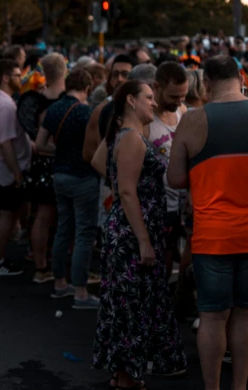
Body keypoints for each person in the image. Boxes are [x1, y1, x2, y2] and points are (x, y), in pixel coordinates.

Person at [92, 80, 186, 389]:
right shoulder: (132, 138)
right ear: (131, 101)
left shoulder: (127, 135)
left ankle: (123, 375)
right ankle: (125, 377)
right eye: (148, 97)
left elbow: (100, 163)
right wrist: (145, 240)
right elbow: (128, 192)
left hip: (131, 231)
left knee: (128, 305)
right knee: (130, 306)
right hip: (133, 237)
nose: (154, 103)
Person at [168, 55, 248, 390]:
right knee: (245, 315)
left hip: (211, 234)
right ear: (240, 76)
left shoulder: (193, 120)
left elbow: (174, 178)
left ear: (207, 82)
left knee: (213, 316)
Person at [37, 69, 100, 309]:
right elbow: (95, 147)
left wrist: (60, 152)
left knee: (63, 228)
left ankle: (60, 283)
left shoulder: (54, 109)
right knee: (84, 233)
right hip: (83, 177)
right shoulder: (86, 112)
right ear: (87, 87)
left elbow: (40, 144)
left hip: (59, 175)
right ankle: (81, 291)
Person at [17, 53, 66, 283]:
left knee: (42, 215)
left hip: (40, 163)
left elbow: (34, 138)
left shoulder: (35, 98)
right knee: (52, 217)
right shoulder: (64, 101)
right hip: (58, 164)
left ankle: (41, 264)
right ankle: (47, 266)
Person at [0, 59, 31, 277]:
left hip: (3, 167)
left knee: (8, 213)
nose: (21, 79)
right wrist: (17, 172)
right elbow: (5, 143)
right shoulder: (3, 105)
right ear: (5, 77)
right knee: (6, 213)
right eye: (18, 75)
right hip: (7, 169)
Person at [148, 62, 189, 280]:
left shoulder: (182, 111)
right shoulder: (144, 119)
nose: (180, 102)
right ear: (156, 86)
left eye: (183, 96)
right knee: (159, 263)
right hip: (157, 206)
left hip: (180, 204)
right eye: (174, 96)